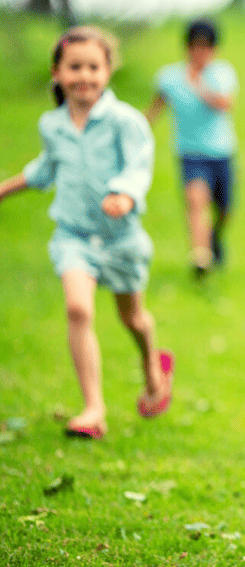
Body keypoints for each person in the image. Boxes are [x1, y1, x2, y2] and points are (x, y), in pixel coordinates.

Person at [0, 26, 173, 440]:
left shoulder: (124, 121)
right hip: (74, 235)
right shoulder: (53, 125)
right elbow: (45, 169)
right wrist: (6, 188)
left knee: (133, 318)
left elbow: (139, 164)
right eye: (74, 67)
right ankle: (94, 409)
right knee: (79, 309)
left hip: (121, 238)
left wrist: (125, 194)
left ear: (108, 70)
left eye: (94, 67)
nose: (85, 76)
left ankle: (153, 366)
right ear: (57, 73)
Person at [146, 18, 239, 279]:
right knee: (196, 201)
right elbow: (154, 111)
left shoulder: (222, 73)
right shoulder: (169, 77)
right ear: (186, 47)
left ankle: (213, 238)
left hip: (221, 152)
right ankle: (200, 256)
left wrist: (199, 86)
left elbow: (225, 104)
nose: (201, 53)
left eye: (206, 47)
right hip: (190, 153)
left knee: (225, 210)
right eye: (195, 47)